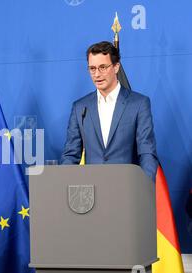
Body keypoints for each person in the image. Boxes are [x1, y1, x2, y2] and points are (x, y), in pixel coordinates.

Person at [60, 41, 158, 180]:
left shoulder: (139, 104)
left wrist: (144, 187)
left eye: (103, 67)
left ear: (116, 67)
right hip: (91, 193)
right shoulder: (80, 107)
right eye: (92, 68)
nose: (97, 74)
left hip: (127, 190)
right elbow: (70, 154)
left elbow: (147, 152)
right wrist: (63, 184)